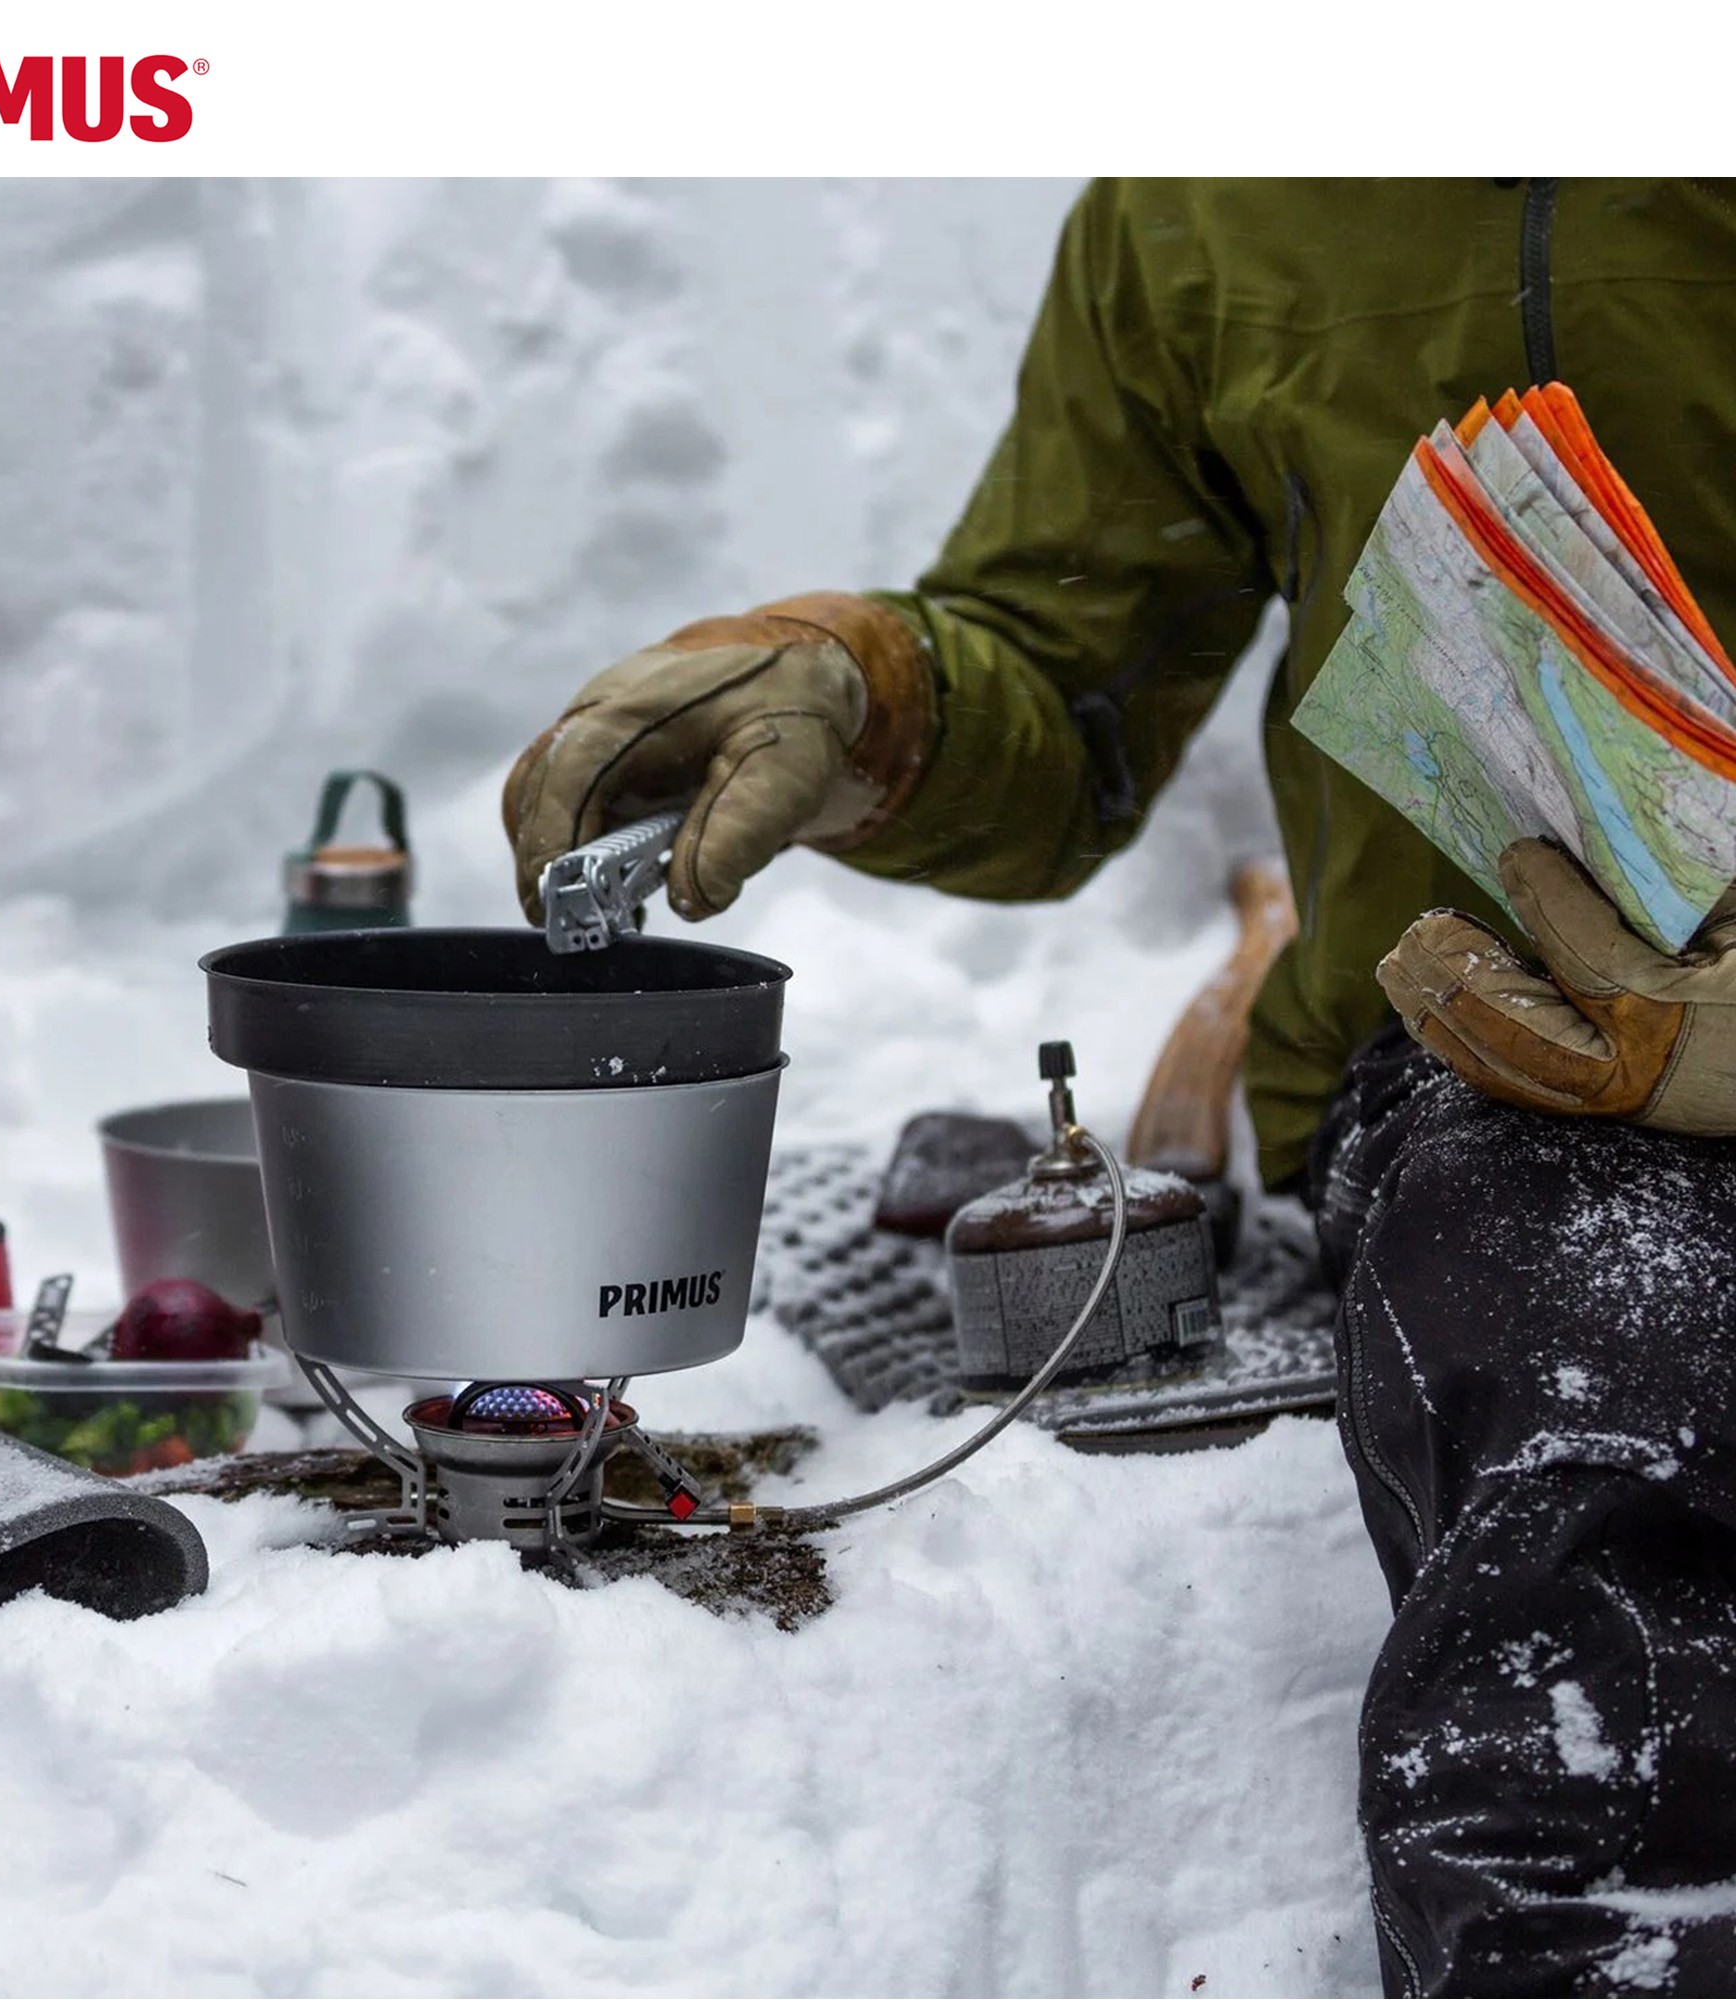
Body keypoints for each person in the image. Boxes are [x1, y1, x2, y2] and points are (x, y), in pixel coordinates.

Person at [501, 179, 1736, 1996]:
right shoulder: (1218, 191)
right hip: (1507, 1079)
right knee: (1611, 1443)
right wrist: (865, 696)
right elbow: (1068, 656)